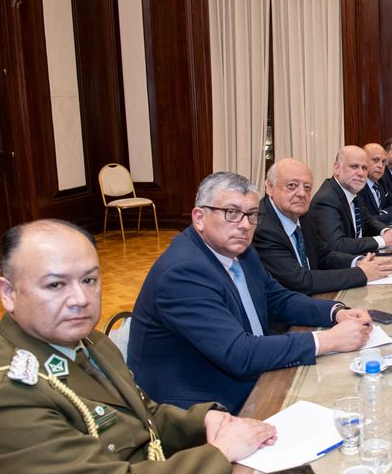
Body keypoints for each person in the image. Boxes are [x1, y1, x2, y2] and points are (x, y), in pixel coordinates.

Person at [0, 220, 276, 474]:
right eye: (55, 284)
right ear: (8, 293)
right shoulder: (7, 394)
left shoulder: (89, 343)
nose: (80, 299)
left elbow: (143, 415)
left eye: (89, 280)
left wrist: (205, 420)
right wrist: (220, 452)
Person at [128, 172, 373, 414]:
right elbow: (239, 353)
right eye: (231, 213)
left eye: (252, 215)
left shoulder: (240, 251)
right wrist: (330, 340)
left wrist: (336, 313)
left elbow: (277, 298)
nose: (245, 225)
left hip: (253, 375)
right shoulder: (183, 272)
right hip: (202, 407)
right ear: (199, 218)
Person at [254, 157, 392, 295]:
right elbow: (300, 281)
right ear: (270, 188)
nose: (302, 193)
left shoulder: (303, 215)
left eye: (307, 187)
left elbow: (324, 255)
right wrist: (361, 273)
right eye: (292, 186)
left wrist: (358, 262)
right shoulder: (262, 227)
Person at [312, 146, 392, 256]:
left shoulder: (352, 191)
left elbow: (368, 221)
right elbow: (337, 245)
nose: (361, 173)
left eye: (364, 168)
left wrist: (387, 231)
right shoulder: (327, 199)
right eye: (354, 166)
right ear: (337, 168)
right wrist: (382, 240)